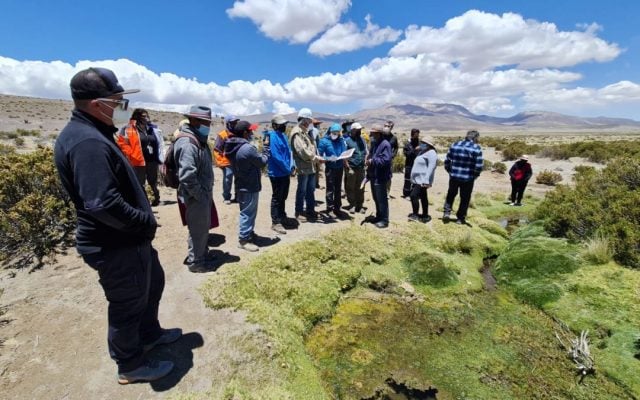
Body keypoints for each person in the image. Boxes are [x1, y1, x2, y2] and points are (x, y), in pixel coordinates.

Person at [54, 67, 180, 384]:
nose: (123, 106)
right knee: (127, 303)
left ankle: (150, 335)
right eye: (118, 100)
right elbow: (101, 203)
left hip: (127, 240)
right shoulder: (87, 143)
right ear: (97, 104)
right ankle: (130, 364)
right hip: (115, 244)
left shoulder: (97, 133)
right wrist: (143, 223)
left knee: (151, 285)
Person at [174, 105, 216, 272]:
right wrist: (200, 195)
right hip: (196, 196)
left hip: (202, 193)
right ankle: (196, 263)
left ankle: (202, 254)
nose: (208, 126)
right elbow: (187, 176)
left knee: (202, 227)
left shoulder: (198, 139)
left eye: (209, 122)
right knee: (197, 229)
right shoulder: (188, 143)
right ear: (193, 120)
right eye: (205, 122)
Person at [224, 121, 268, 252]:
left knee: (247, 211)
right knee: (247, 213)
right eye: (250, 131)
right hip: (249, 185)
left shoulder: (232, 146)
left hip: (241, 183)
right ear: (244, 133)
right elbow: (261, 162)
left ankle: (249, 234)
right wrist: (266, 151)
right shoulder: (247, 148)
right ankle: (244, 240)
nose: (252, 133)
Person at [118, 109, 164, 206]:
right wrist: (131, 155)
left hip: (152, 160)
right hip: (137, 161)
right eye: (143, 116)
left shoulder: (152, 128)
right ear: (137, 117)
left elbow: (159, 142)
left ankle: (156, 198)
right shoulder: (128, 129)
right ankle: (143, 202)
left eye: (147, 115)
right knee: (139, 183)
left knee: (153, 181)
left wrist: (159, 157)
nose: (146, 118)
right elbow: (123, 144)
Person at [443, 130, 484, 224]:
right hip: (468, 178)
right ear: (475, 138)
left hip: (454, 176)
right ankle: (460, 218)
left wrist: (450, 171)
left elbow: (447, 161)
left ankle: (446, 212)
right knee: (465, 198)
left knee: (451, 194)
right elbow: (479, 166)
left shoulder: (455, 144)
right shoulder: (476, 148)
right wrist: (475, 175)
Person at [264, 114, 294, 234]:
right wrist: (288, 169)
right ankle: (275, 222)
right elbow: (276, 156)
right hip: (276, 173)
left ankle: (282, 216)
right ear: (275, 125)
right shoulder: (271, 136)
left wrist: (292, 165)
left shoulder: (283, 136)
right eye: (281, 125)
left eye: (284, 124)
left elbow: (289, 151)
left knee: (283, 196)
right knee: (277, 198)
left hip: (285, 172)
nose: (284, 126)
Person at [291, 108, 319, 222]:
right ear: (303, 120)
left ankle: (310, 210)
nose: (310, 123)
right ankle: (299, 211)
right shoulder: (297, 132)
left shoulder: (306, 132)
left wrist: (315, 156)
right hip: (303, 167)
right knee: (302, 190)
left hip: (310, 166)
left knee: (310, 189)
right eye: (308, 120)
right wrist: (314, 157)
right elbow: (302, 150)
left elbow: (312, 147)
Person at [317, 123, 347, 217]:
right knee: (330, 189)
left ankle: (337, 208)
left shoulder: (341, 140)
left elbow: (344, 151)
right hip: (330, 168)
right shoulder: (324, 141)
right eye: (334, 132)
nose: (335, 134)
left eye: (337, 133)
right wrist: (329, 158)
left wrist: (345, 157)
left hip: (339, 167)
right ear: (330, 132)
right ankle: (329, 209)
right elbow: (319, 156)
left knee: (338, 189)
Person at [365, 124, 392, 228]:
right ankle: (378, 216)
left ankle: (384, 220)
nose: (371, 134)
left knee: (382, 199)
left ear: (379, 134)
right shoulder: (375, 143)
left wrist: (372, 161)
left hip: (381, 176)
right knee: (376, 198)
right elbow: (372, 155)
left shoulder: (385, 145)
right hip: (373, 175)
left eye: (373, 133)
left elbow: (386, 160)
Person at [408, 136, 438, 223]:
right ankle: (425, 215)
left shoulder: (432, 153)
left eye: (423, 143)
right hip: (418, 179)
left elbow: (431, 168)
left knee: (413, 196)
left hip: (422, 180)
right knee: (423, 197)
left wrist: (426, 180)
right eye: (421, 142)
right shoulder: (422, 152)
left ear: (428, 145)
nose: (421, 144)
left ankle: (415, 215)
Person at [214, 115, 239, 204]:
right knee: (228, 179)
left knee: (238, 179)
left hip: (237, 161)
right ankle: (226, 197)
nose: (235, 124)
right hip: (227, 162)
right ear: (228, 124)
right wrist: (221, 162)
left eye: (236, 122)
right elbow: (217, 150)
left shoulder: (238, 133)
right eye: (233, 123)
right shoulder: (222, 135)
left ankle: (238, 197)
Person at [343, 122, 367, 214]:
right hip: (351, 167)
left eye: (360, 130)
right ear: (352, 130)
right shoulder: (347, 141)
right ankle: (352, 205)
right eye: (358, 130)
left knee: (361, 187)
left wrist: (365, 160)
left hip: (361, 168)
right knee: (350, 187)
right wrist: (347, 166)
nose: (359, 131)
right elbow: (344, 155)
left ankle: (359, 205)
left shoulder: (363, 140)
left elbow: (365, 152)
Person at [402, 128, 421, 199]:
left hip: (418, 165)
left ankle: (414, 193)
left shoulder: (420, 144)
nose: (417, 137)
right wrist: (414, 150)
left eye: (418, 135)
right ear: (412, 135)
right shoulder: (407, 145)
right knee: (408, 180)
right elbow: (407, 154)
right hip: (409, 165)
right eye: (415, 135)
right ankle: (406, 194)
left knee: (416, 180)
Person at [382, 120, 399, 197]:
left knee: (388, 176)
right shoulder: (380, 136)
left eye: (389, 126)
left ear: (391, 128)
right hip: (379, 159)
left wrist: (393, 155)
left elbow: (396, 147)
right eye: (385, 126)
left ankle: (387, 192)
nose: (387, 127)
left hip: (389, 160)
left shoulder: (393, 138)